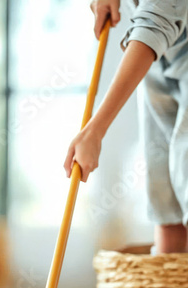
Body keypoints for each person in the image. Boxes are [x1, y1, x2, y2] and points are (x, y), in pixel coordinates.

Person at [64, 0, 188, 254]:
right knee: (164, 200)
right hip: (163, 60)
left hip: (166, 44)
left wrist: (94, 131)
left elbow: (155, 24)